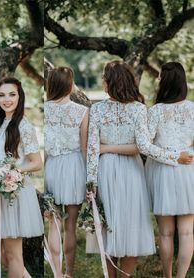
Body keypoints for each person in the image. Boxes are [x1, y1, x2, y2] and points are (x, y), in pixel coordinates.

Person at [86, 60, 192, 278]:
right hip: (143, 171)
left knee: (112, 227)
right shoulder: (140, 109)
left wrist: (91, 181)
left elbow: (92, 150)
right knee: (135, 227)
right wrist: (180, 156)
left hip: (108, 169)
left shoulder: (97, 110)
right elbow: (142, 146)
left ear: (107, 83)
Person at [0, 77, 44, 278]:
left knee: (12, 253)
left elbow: (37, 162)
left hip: (13, 193)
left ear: (20, 97)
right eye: (2, 95)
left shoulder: (23, 126)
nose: (6, 99)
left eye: (12, 94)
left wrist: (13, 173)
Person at [145, 62, 194, 278]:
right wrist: (183, 155)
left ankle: (168, 276)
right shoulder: (193, 108)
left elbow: (147, 147)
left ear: (164, 82)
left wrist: (171, 156)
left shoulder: (154, 111)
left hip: (163, 172)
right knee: (186, 233)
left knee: (165, 233)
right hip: (188, 170)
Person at [44, 67, 88, 278]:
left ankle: (57, 273)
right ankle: (69, 273)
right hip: (74, 167)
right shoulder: (81, 111)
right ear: (70, 85)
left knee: (54, 222)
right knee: (70, 226)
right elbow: (85, 147)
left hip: (52, 165)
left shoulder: (45, 109)